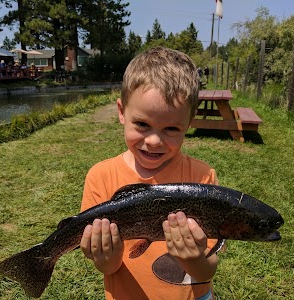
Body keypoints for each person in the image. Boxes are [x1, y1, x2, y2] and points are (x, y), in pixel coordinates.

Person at [80, 47, 219, 300]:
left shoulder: (203, 179)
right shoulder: (100, 177)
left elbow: (208, 270)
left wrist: (195, 258)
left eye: (171, 128)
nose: (154, 140)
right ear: (122, 112)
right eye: (142, 124)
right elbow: (108, 268)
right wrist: (107, 256)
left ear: (189, 122)